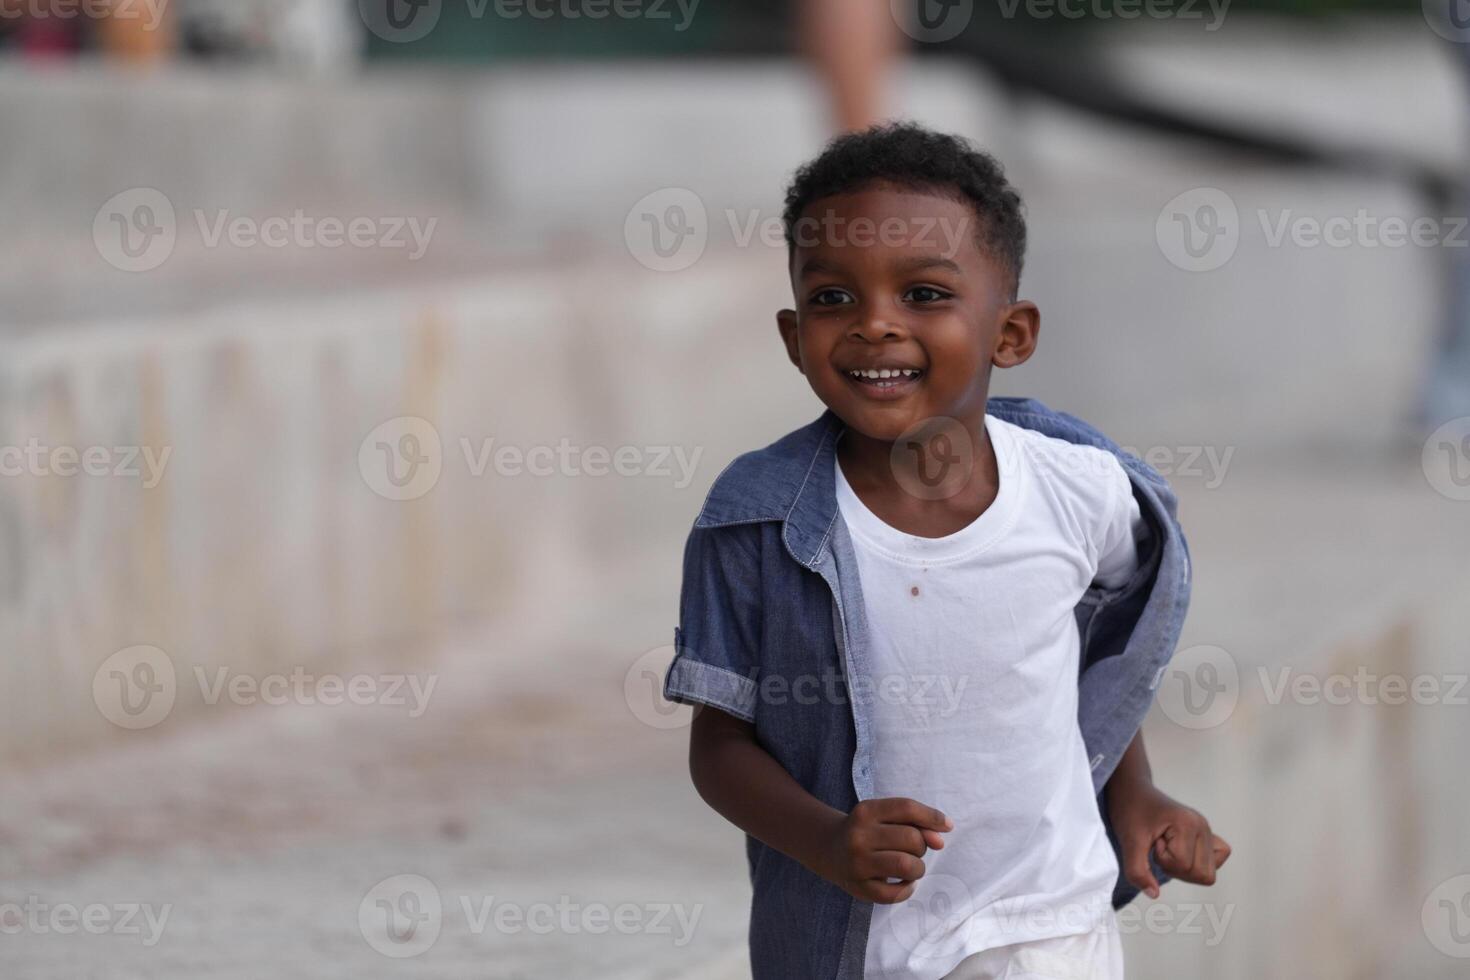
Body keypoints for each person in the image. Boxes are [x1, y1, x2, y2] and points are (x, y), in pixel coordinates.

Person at [663, 123, 1230, 980]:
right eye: (832, 300)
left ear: (1011, 334)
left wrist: (1131, 787)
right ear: (791, 337)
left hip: (1049, 930)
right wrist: (825, 839)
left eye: (924, 294)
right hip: (867, 948)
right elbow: (719, 746)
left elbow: (1091, 649)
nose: (875, 325)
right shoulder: (755, 523)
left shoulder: (1079, 490)